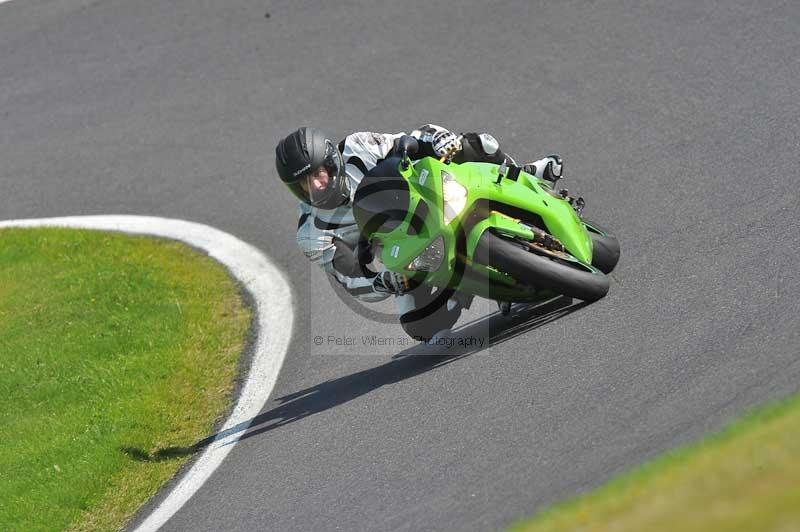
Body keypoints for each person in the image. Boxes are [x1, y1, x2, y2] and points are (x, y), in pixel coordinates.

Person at [275, 124, 563, 341]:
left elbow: (412, 139)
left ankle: (526, 174)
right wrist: (382, 282)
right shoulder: (311, 232)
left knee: (478, 145)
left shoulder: (357, 147)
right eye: (303, 184)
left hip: (428, 197)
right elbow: (349, 277)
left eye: (318, 174)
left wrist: (439, 140)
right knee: (420, 325)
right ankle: (470, 285)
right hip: (403, 247)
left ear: (331, 160)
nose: (315, 186)